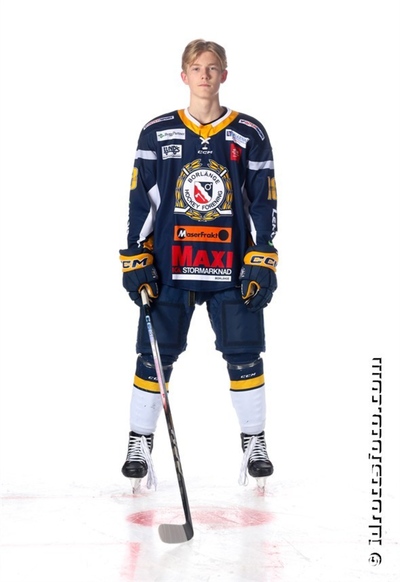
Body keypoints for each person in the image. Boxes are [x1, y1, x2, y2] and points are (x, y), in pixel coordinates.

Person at [119, 39, 278, 488]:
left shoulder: (249, 132)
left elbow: (263, 199)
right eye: (196, 67)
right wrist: (135, 254)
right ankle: (139, 444)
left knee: (245, 355)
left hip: (231, 266)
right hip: (171, 264)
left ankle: (254, 443)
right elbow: (141, 199)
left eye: (212, 68)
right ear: (183, 75)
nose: (204, 75)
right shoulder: (157, 132)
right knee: (154, 357)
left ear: (224, 74)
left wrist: (263, 255)